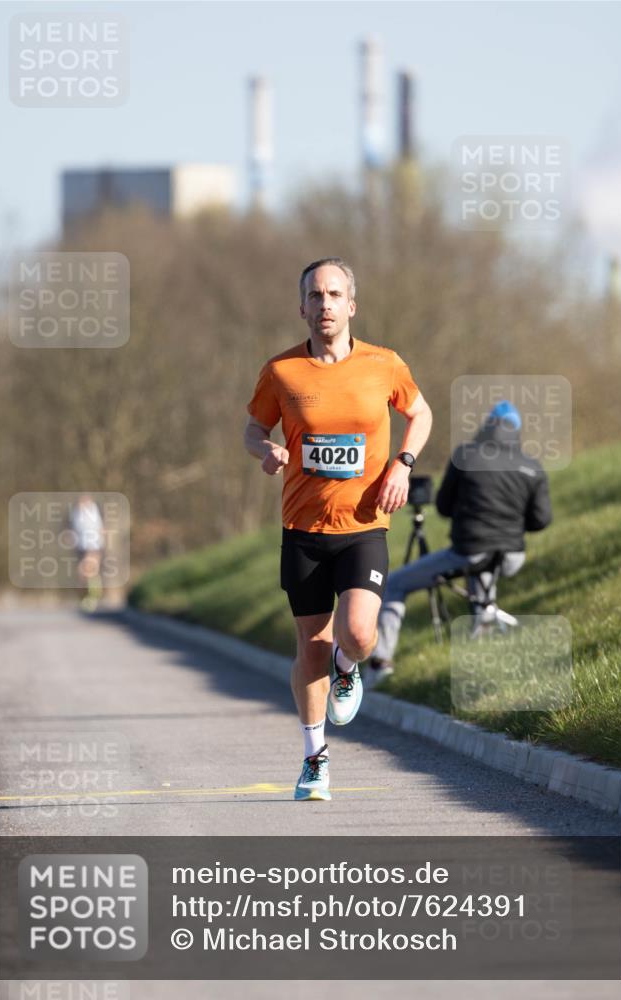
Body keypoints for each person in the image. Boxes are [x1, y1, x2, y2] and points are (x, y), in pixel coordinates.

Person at [244, 258, 432, 801]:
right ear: (302, 307)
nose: (324, 304)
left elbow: (420, 415)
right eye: (315, 295)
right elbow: (253, 427)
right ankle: (314, 759)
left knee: (357, 634)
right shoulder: (281, 372)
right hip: (303, 527)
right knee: (311, 644)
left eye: (334, 294)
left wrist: (402, 463)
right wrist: (266, 449)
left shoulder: (384, 364)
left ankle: (349, 668)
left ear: (351, 305)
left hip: (365, 523)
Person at [368, 400, 552, 683]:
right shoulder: (532, 466)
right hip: (512, 557)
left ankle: (381, 663)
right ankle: (485, 640)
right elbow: (541, 520)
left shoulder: (465, 456)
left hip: (468, 553)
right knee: (482, 568)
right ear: (516, 431)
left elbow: (443, 507)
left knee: (395, 583)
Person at [70, 494, 106, 611]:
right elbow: (75, 530)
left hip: (93, 545)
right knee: (82, 573)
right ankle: (87, 596)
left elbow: (100, 529)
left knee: (90, 570)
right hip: (81, 546)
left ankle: (93, 597)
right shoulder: (76, 513)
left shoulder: (93, 513)